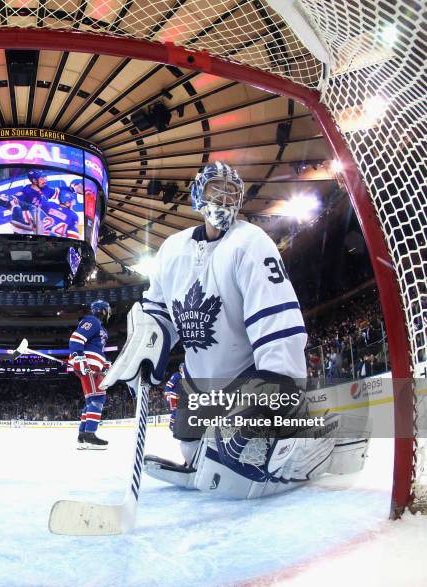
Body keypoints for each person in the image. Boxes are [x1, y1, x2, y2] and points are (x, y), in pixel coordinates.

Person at [102, 161, 368, 498]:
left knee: (240, 457)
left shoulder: (251, 242)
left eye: (232, 194)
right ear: (198, 194)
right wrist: (147, 344)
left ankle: (314, 438)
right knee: (189, 449)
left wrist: (281, 383)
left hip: (249, 377)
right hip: (202, 383)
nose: (224, 200)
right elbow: (158, 309)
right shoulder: (171, 249)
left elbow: (274, 312)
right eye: (216, 190)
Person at [69, 300, 111, 450]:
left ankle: (83, 435)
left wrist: (106, 364)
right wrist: (79, 358)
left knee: (91, 400)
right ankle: (89, 435)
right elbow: (76, 339)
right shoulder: (92, 321)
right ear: (104, 311)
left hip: (94, 366)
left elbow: (99, 351)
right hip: (89, 365)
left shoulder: (101, 328)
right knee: (98, 397)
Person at [164, 363, 184, 430]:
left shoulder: (186, 377)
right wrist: (167, 395)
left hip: (180, 397)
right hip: (173, 396)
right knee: (176, 411)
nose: (183, 369)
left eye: (184, 368)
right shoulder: (176, 375)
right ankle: (172, 425)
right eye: (182, 367)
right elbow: (168, 385)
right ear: (180, 368)